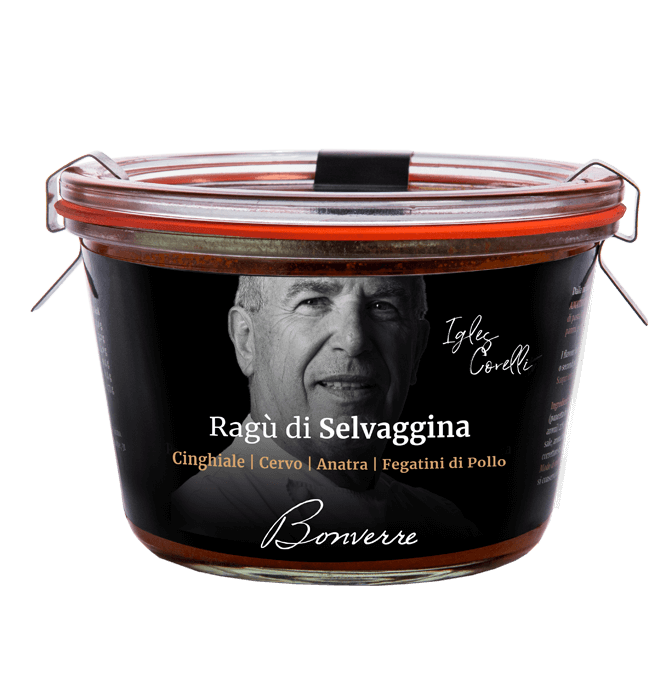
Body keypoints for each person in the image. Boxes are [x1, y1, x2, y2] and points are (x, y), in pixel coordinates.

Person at [171, 275, 479, 550]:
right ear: (246, 340)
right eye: (313, 302)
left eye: (382, 306)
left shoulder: (447, 527)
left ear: (417, 350)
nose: (354, 341)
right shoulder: (196, 521)